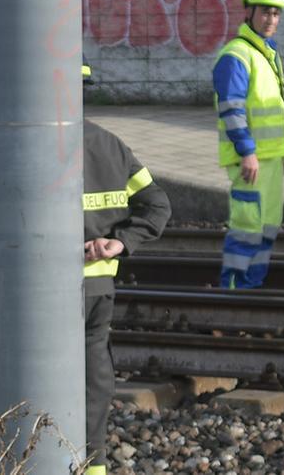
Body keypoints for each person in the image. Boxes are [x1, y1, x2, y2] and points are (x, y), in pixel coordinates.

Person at [82, 62, 171, 475]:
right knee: (93, 381)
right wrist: (120, 242)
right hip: (99, 288)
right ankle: (92, 465)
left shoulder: (30, 145)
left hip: (47, 293)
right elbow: (157, 205)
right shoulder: (109, 145)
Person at [212, 0, 284, 289]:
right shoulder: (237, 55)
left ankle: (251, 287)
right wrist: (247, 151)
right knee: (246, 228)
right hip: (251, 160)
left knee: (267, 227)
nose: (271, 20)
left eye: (276, 13)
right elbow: (231, 109)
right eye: (265, 12)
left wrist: (282, 152)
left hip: (269, 159)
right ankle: (233, 293)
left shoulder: (266, 53)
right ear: (249, 11)